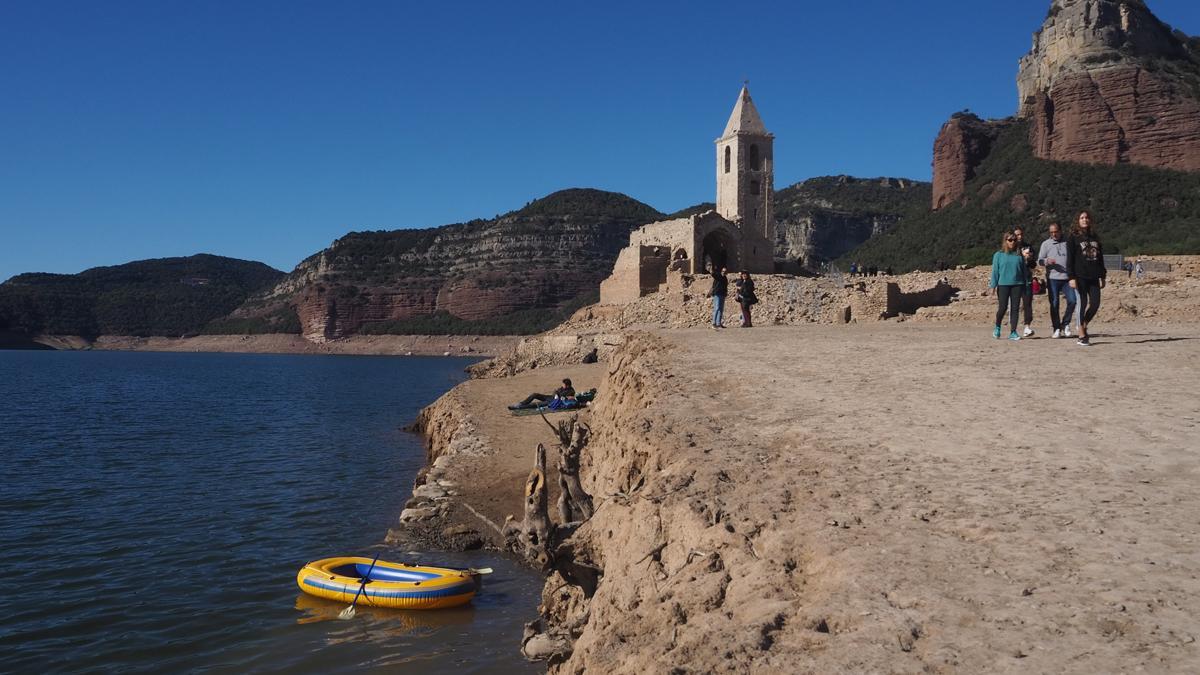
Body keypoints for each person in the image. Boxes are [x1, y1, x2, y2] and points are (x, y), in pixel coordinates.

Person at [1066, 211, 1106, 347]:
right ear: (1078, 220)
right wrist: (1071, 277)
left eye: (1087, 217)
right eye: (1082, 218)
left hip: (1094, 275)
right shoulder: (1073, 237)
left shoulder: (1095, 237)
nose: (1085, 220)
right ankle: (1082, 334)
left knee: (1095, 304)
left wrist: (1103, 275)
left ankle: (1083, 324)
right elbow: (1069, 259)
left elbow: (1100, 257)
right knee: (1082, 303)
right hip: (1079, 276)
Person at [1037, 222, 1077, 338]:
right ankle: (1056, 328)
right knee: (1054, 304)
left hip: (1067, 278)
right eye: (1051, 232)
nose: (1054, 234)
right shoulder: (1045, 244)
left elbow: (1074, 257)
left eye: (1056, 231)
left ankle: (1065, 324)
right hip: (1052, 278)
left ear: (1060, 231)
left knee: (1073, 301)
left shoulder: (1068, 242)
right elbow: (1039, 261)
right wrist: (1046, 261)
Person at [990, 232, 1028, 341]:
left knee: (1015, 309)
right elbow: (995, 272)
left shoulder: (1019, 255)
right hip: (1003, 285)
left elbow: (1024, 271)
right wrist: (993, 286)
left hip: (1018, 284)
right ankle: (997, 327)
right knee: (1003, 307)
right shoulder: (999, 255)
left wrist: (1026, 285)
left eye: (1014, 240)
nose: (1012, 242)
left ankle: (1013, 331)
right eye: (1010, 240)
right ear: (1005, 241)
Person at [1012, 226, 1038, 336]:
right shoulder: (1011, 249)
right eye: (1017, 235)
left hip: (1027, 278)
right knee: (1015, 304)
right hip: (1014, 279)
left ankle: (1027, 327)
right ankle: (1013, 329)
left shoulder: (1028, 247)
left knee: (1027, 303)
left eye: (1021, 234)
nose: (1020, 237)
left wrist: (1030, 258)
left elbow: (1033, 265)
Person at [509, 378, 575, 410]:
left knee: (535, 405)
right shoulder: (563, 388)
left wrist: (558, 394)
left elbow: (563, 397)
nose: (562, 385)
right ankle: (521, 403)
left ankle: (518, 407)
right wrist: (556, 393)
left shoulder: (571, 391)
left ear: (567, 385)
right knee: (535, 394)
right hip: (550, 397)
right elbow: (556, 391)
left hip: (553, 402)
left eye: (563, 384)